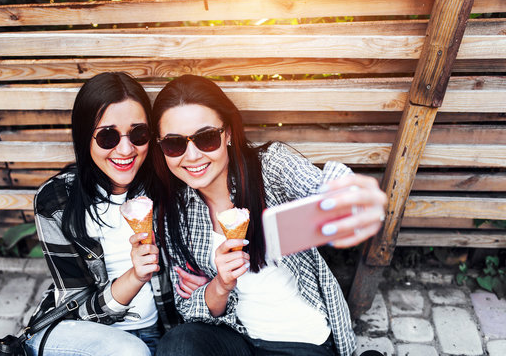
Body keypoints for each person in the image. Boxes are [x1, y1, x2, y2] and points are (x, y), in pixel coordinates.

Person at [150, 75, 388, 356]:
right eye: (174, 144)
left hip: (298, 341)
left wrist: (346, 195)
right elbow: (191, 308)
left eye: (206, 138)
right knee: (177, 345)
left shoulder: (270, 167)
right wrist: (220, 285)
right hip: (235, 336)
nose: (191, 156)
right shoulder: (174, 211)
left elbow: (317, 186)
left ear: (226, 134)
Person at [25, 72, 206, 356]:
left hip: (157, 331)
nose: (125, 149)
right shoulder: (56, 201)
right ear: (86, 137)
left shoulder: (168, 185)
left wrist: (202, 280)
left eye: (138, 134)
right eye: (108, 136)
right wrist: (135, 276)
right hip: (75, 332)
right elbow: (77, 309)